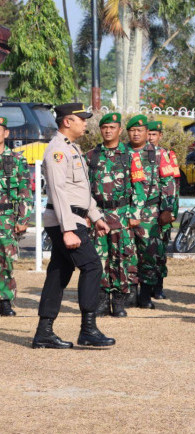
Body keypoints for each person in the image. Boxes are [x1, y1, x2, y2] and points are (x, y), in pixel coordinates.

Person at [32, 103, 115, 349]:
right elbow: (57, 192)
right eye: (82, 119)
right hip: (64, 220)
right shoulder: (57, 150)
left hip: (73, 217)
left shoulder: (72, 148)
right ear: (68, 122)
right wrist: (68, 229)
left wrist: (96, 216)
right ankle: (88, 329)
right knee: (92, 266)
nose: (86, 123)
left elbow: (79, 191)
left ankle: (44, 332)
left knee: (59, 273)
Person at [86, 112, 144, 318]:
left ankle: (119, 301)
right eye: (105, 127)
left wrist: (135, 214)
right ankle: (101, 301)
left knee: (121, 259)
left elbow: (139, 187)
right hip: (98, 215)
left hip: (122, 214)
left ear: (119, 130)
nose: (108, 131)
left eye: (112, 127)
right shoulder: (91, 156)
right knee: (99, 259)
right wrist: (87, 214)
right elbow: (84, 187)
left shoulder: (131, 156)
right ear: (100, 130)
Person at [126, 115, 176, 310]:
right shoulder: (122, 152)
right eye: (132, 130)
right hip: (126, 211)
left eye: (140, 130)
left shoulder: (159, 154)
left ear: (147, 133)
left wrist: (167, 209)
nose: (136, 133)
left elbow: (168, 182)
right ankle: (130, 294)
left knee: (149, 254)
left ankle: (145, 295)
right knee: (127, 253)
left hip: (151, 212)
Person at [0, 116, 32, 317]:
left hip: (7, 218)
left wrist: (23, 219)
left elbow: (25, 192)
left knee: (6, 260)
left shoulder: (17, 160)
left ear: (6, 133)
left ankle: (4, 300)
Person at [146, 120, 180, 300]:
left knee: (160, 251)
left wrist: (171, 211)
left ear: (160, 136)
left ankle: (158, 286)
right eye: (148, 133)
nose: (150, 137)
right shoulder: (138, 155)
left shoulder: (167, 155)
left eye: (154, 134)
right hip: (145, 212)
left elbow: (174, 186)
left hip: (163, 212)